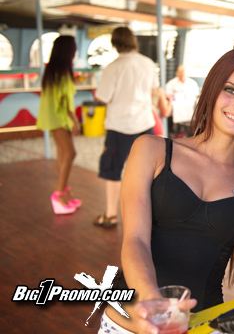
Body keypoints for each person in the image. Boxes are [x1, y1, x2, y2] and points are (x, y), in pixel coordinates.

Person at [99, 48, 234, 334]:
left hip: (201, 326)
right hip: (131, 322)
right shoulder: (152, 150)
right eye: (231, 90)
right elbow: (136, 239)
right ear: (211, 91)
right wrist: (152, 301)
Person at [93, 27, 159, 228]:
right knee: (147, 172)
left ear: (114, 43)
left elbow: (103, 97)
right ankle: (149, 217)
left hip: (119, 126)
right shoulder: (148, 63)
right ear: (133, 41)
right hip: (145, 124)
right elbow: (155, 91)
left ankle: (111, 215)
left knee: (113, 169)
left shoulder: (112, 68)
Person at [36, 35, 82, 215]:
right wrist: (75, 121)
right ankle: (59, 194)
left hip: (52, 117)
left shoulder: (51, 70)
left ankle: (66, 191)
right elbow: (65, 100)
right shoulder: (64, 72)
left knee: (63, 153)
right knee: (70, 153)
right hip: (60, 118)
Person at [165, 65, 200, 137]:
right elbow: (168, 95)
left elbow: (196, 95)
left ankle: (190, 131)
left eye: (183, 73)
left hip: (190, 105)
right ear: (177, 73)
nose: (182, 75)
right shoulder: (171, 83)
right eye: (180, 73)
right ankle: (175, 131)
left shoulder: (192, 83)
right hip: (175, 105)